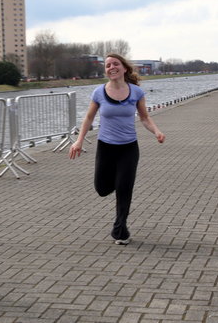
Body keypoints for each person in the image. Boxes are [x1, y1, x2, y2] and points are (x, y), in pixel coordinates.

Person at [69, 53, 165, 245]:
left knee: (124, 189)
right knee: (102, 188)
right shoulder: (98, 92)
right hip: (106, 147)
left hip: (129, 148)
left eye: (115, 64)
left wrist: (156, 131)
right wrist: (79, 140)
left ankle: (120, 230)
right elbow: (88, 118)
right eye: (107, 65)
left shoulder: (136, 92)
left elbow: (145, 117)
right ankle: (118, 180)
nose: (111, 67)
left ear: (124, 68)